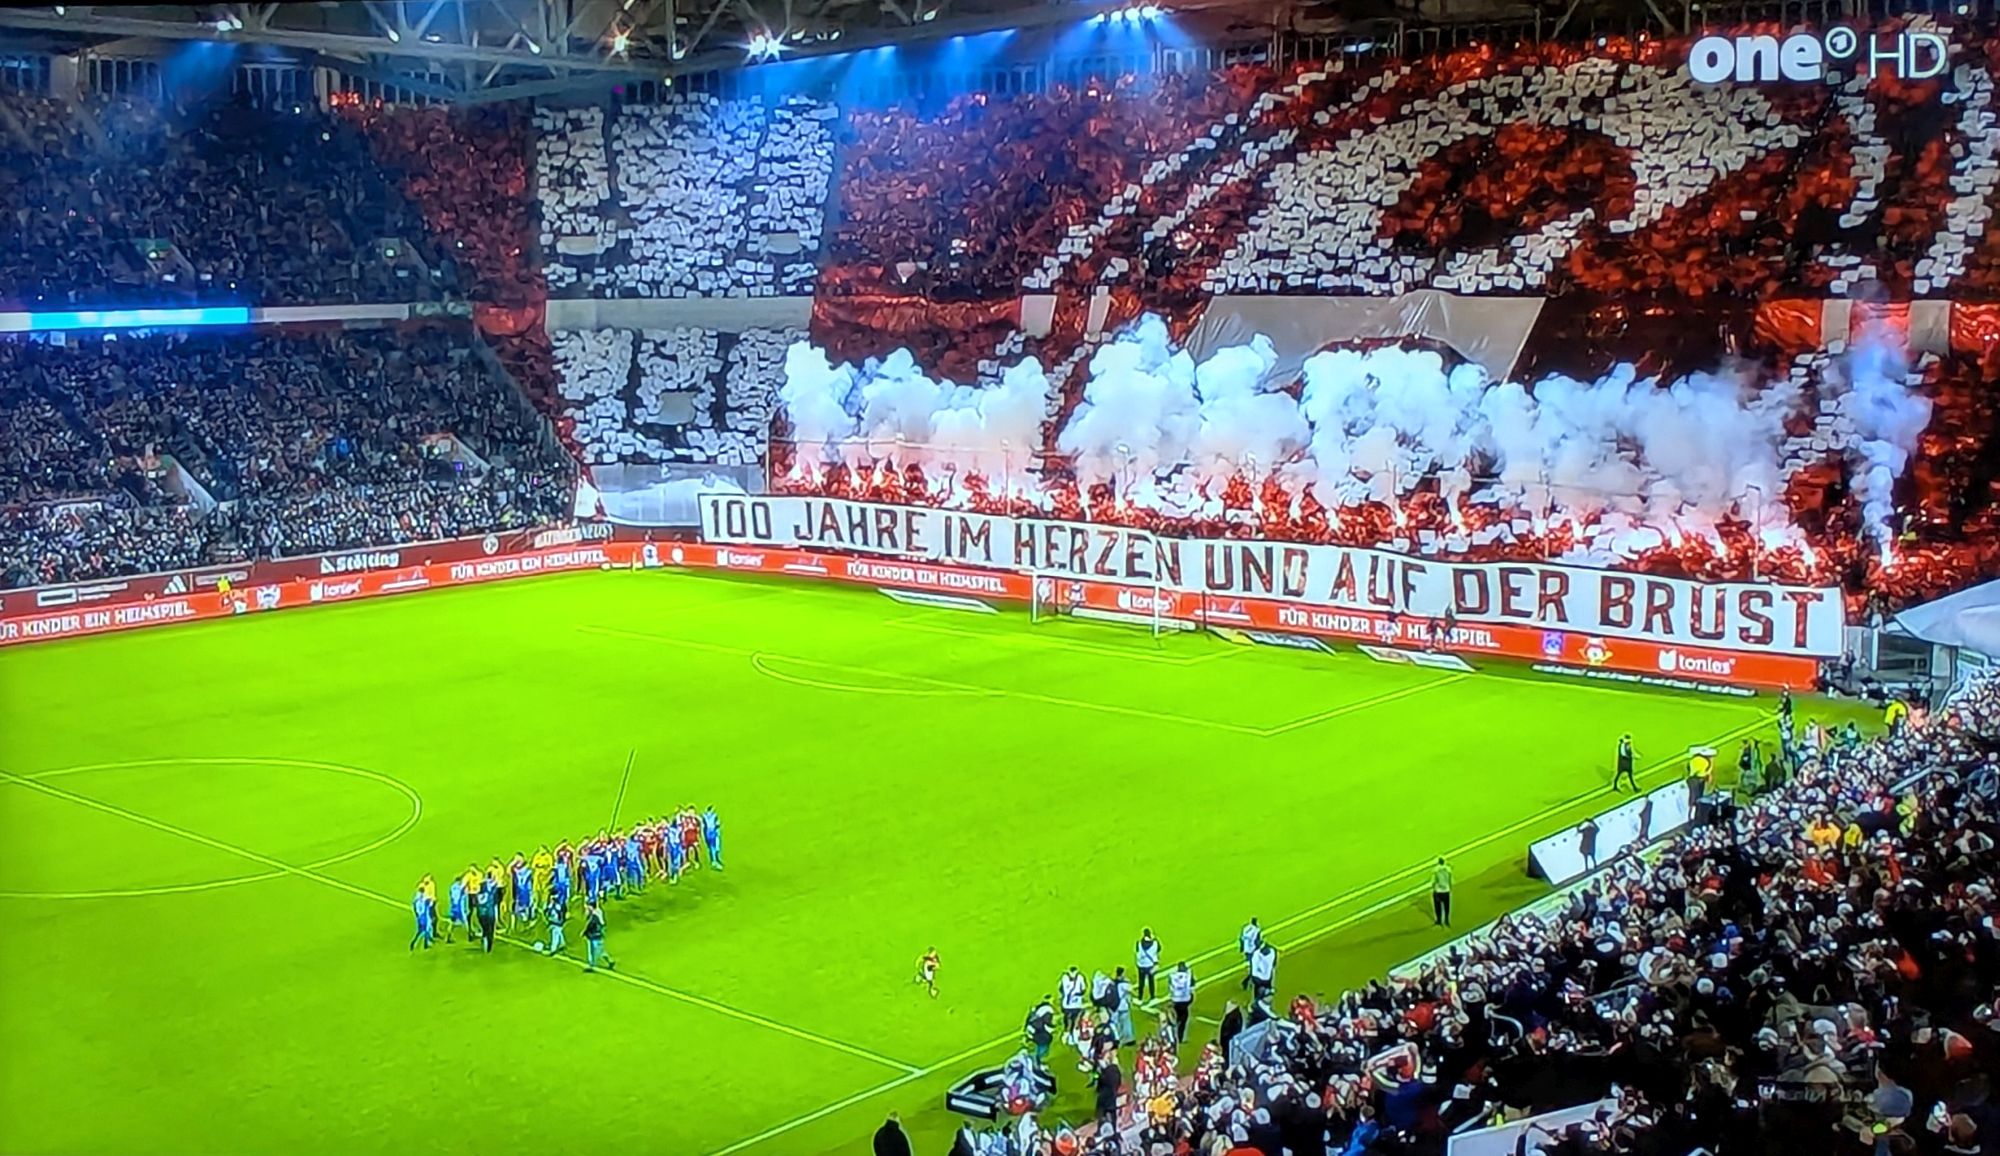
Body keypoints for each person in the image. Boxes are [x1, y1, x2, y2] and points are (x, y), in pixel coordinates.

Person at [1168, 961, 1194, 1044]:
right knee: (1183, 1020)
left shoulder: (1172, 976)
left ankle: (1172, 1035)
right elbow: (1193, 985)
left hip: (1175, 1000)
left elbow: (1170, 985)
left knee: (1175, 1018)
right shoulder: (1188, 976)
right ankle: (1180, 1037)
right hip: (1185, 1001)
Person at [1094, 1056, 1122, 1131]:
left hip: (1104, 1096)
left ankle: (1100, 1129)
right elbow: (1119, 1081)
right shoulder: (1116, 1070)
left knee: (1101, 1113)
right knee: (1112, 1113)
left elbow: (1100, 1085)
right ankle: (1113, 1128)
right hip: (1112, 1096)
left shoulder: (1105, 1074)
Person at [583, 900, 613, 972]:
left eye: (588, 906)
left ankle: (592, 965)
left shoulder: (595, 915)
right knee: (598, 950)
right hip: (596, 934)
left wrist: (585, 932)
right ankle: (609, 961)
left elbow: (590, 925)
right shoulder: (595, 913)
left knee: (594, 950)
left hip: (594, 934)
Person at [408, 879, 436, 951]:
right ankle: (416, 943)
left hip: (421, 916)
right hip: (423, 916)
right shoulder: (422, 899)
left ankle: (423, 943)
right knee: (424, 930)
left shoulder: (417, 899)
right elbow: (426, 906)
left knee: (423, 931)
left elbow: (415, 905)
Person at [1026, 997, 1056, 1063]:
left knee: (1038, 1047)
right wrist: (1053, 1028)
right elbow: (1047, 1022)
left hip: (1032, 1030)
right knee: (1043, 1048)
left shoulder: (1039, 1007)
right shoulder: (1049, 1010)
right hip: (1040, 1033)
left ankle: (1035, 1060)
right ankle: (1037, 1062)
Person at [475, 871, 499, 952]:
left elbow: (477, 899)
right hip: (490, 912)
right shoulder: (494, 887)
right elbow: (496, 902)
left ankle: (484, 938)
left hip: (481, 912)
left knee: (485, 928)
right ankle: (488, 946)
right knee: (490, 930)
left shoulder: (482, 886)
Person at [1058, 966, 1086, 1036]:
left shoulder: (1064, 977)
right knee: (1076, 1020)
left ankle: (1066, 1035)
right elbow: (1083, 989)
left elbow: (1060, 989)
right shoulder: (1080, 977)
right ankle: (1073, 1036)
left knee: (1067, 1020)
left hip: (1066, 1005)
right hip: (1077, 1004)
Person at [1135, 928, 1161, 1002]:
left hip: (1141, 966)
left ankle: (1140, 997)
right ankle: (1152, 997)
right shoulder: (1155, 943)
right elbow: (1159, 949)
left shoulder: (1139, 943)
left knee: (1141, 982)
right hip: (1150, 965)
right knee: (1151, 981)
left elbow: (1136, 952)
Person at [1238, 917, 1261, 989]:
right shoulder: (1257, 930)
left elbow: (1241, 938)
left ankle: (1249, 981)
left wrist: (1242, 948)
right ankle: (1245, 982)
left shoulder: (1246, 928)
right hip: (1252, 950)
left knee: (1253, 967)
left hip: (1246, 950)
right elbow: (1257, 941)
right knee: (1255, 968)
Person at [543, 891, 568, 956]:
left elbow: (559, 914)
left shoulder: (556, 906)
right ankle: (562, 944)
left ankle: (553, 949)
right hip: (555, 922)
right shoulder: (554, 905)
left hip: (557, 923)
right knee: (558, 932)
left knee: (555, 935)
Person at [1431, 857, 1454, 927]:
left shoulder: (1435, 870)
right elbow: (1450, 880)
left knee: (1438, 907)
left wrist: (1434, 888)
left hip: (1438, 891)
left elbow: (1433, 881)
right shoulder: (1448, 869)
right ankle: (1446, 920)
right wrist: (1450, 888)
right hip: (1446, 891)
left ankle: (1439, 920)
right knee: (1447, 907)